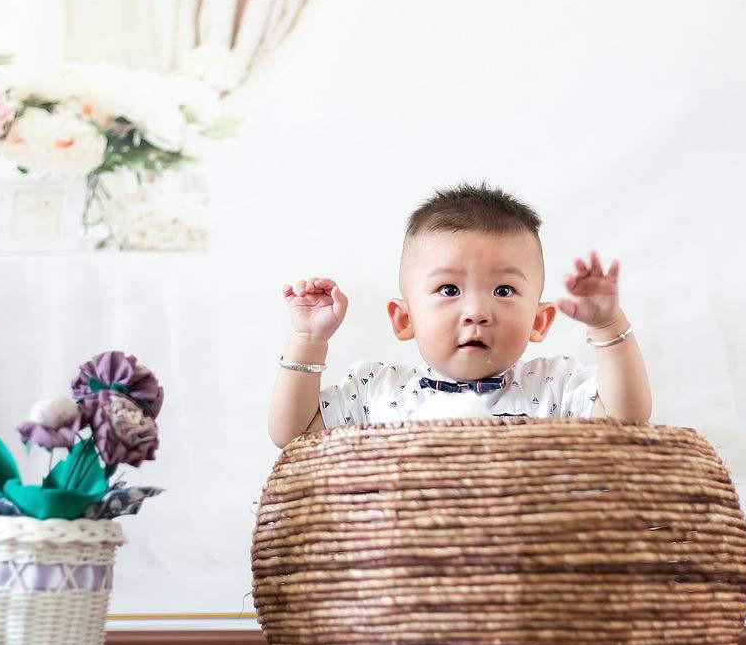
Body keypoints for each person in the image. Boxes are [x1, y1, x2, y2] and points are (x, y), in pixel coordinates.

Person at [267, 183, 651, 447]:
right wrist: (308, 341)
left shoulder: (553, 388)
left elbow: (626, 423)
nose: (476, 313)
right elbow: (295, 434)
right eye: (449, 290)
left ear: (538, 321)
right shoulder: (378, 393)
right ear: (405, 319)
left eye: (504, 291)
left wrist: (608, 327)